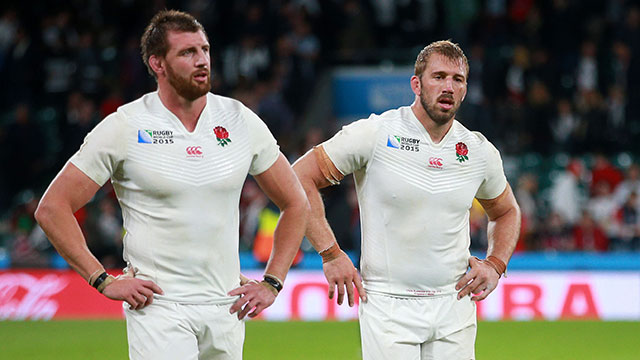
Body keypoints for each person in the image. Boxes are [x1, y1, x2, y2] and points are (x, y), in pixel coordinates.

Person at [35, 10, 309, 360]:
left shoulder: (240, 120)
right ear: (157, 64)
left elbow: (296, 202)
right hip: (158, 307)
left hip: (226, 306)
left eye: (205, 50)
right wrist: (102, 279)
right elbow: (52, 208)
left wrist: (272, 282)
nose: (202, 61)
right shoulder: (125, 126)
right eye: (187, 53)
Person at [293, 40, 520, 360]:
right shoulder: (375, 133)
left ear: (466, 89)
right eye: (438, 76)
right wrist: (331, 254)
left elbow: (507, 211)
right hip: (389, 307)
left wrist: (496, 265)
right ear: (416, 84)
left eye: (458, 79)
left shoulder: (478, 150)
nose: (448, 87)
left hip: (454, 305)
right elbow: (298, 179)